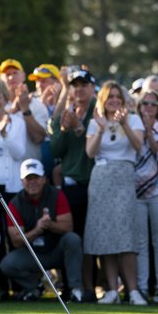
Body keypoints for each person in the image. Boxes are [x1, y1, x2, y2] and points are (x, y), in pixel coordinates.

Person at [84, 81, 146, 305]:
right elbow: (90, 153)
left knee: (125, 236)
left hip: (123, 178)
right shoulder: (95, 122)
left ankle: (133, 290)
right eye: (110, 97)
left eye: (118, 97)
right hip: (101, 179)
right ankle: (112, 290)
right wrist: (100, 129)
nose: (115, 101)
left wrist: (124, 124)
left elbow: (139, 146)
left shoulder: (134, 119)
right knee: (105, 237)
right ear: (103, 100)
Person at [0, 159, 82, 300]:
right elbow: (16, 241)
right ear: (22, 181)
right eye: (28, 178)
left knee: (72, 239)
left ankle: (75, 289)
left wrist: (50, 224)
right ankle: (36, 286)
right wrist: (37, 229)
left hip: (56, 250)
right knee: (7, 265)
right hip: (33, 254)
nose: (32, 182)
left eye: (36, 178)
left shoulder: (57, 195)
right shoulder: (14, 204)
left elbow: (68, 226)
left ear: (44, 179)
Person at [48, 68, 97, 300]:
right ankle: (74, 287)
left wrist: (78, 127)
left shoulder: (97, 112)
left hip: (92, 184)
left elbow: (96, 148)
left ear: (92, 88)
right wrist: (65, 129)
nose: (79, 89)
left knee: (91, 239)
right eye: (74, 85)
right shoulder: (66, 112)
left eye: (83, 85)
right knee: (72, 238)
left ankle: (90, 287)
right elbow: (56, 149)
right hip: (70, 186)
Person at [133, 91, 158, 303]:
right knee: (140, 243)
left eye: (153, 104)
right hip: (137, 193)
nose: (148, 107)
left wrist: (149, 133)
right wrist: (142, 132)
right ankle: (140, 287)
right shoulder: (132, 127)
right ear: (139, 106)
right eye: (145, 104)